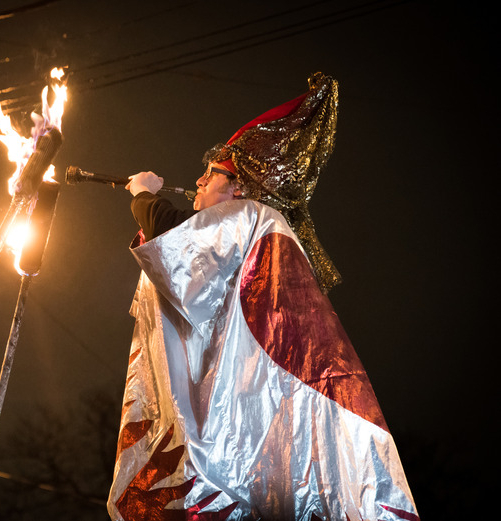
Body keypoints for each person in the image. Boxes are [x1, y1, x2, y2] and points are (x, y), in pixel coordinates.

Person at [107, 74, 419, 521]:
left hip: (251, 417)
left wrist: (142, 194)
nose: (197, 179)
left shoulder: (251, 218)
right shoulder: (255, 226)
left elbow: (173, 240)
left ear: (239, 188)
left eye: (211, 173)